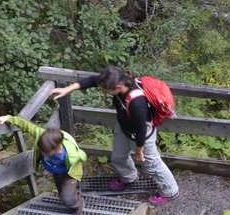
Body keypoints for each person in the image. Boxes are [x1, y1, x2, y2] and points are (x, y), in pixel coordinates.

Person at [52, 65, 179, 205]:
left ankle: (170, 191)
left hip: (142, 136)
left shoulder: (137, 102)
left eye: (106, 90)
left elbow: (141, 129)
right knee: (118, 157)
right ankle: (129, 177)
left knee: (152, 164)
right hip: (124, 127)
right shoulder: (116, 81)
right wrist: (67, 89)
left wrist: (139, 151)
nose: (104, 92)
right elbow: (92, 80)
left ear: (118, 86)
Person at [0, 114, 86, 212]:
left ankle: (79, 204)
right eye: (42, 151)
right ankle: (73, 195)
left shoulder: (71, 155)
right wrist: (9, 118)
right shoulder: (41, 135)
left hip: (70, 173)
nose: (43, 154)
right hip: (56, 171)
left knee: (67, 197)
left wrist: (75, 177)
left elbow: (83, 156)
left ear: (56, 149)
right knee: (62, 193)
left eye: (46, 153)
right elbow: (26, 125)